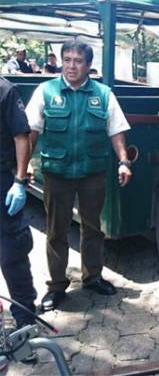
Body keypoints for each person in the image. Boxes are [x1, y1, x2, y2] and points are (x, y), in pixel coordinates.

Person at [25, 39, 133, 311]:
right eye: (68, 59)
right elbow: (31, 131)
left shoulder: (104, 94)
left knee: (93, 228)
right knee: (56, 231)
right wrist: (24, 164)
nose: (72, 66)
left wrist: (123, 161)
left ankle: (93, 277)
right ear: (62, 60)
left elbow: (116, 131)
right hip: (56, 174)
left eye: (78, 61)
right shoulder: (45, 91)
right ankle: (57, 286)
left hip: (92, 173)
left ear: (88, 65)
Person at [0, 76, 37, 329]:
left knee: (13, 252)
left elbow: (21, 137)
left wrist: (19, 180)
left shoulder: (4, 90)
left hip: (2, 180)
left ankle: (25, 324)